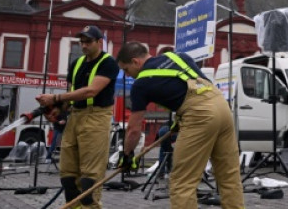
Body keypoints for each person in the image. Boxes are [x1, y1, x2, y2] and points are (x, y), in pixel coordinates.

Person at [116, 41, 244, 209]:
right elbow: (192, 88)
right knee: (229, 176)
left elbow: (133, 129)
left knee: (182, 183)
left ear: (135, 61)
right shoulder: (178, 56)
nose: (128, 75)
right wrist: (180, 120)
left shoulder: (141, 83)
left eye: (126, 70)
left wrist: (127, 155)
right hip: (221, 106)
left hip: (199, 115)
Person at [35, 25, 118, 209]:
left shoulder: (108, 63)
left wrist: (55, 98)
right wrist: (58, 109)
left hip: (97, 117)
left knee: (90, 177)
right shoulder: (76, 63)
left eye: (88, 41)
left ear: (99, 42)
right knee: (68, 177)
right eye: (82, 42)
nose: (84, 45)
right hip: (75, 117)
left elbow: (91, 91)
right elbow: (72, 94)